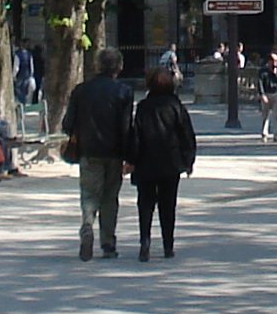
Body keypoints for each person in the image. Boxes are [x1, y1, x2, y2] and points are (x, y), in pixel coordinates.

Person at [124, 61, 200, 260]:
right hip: (170, 162)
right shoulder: (176, 106)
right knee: (168, 205)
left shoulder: (143, 107)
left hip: (146, 162)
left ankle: (145, 242)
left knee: (145, 204)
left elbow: (136, 135)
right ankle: (168, 244)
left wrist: (131, 160)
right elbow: (186, 134)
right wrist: (188, 159)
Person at [65, 53, 133, 260]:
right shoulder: (124, 91)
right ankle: (108, 243)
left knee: (89, 193)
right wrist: (129, 156)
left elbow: (67, 124)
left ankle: (87, 224)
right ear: (118, 68)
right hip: (114, 152)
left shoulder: (81, 90)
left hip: (88, 150)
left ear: (97, 65)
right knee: (110, 197)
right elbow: (126, 127)